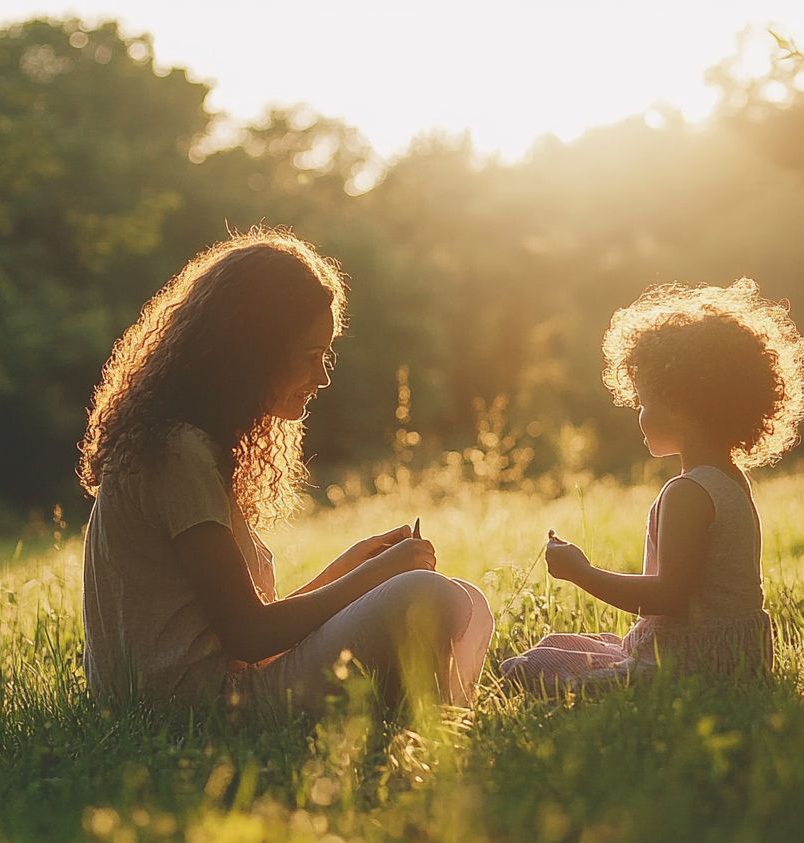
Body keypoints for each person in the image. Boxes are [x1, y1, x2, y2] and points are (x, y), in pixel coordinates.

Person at [77, 227, 493, 717]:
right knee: (429, 595)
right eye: (312, 356)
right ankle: (431, 716)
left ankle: (443, 717)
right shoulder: (178, 453)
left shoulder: (194, 445)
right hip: (199, 709)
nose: (323, 377)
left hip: (221, 688)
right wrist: (376, 575)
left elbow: (249, 630)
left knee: (470, 603)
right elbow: (250, 636)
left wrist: (353, 568)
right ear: (255, 353)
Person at [500, 279, 804, 691]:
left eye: (644, 403)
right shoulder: (731, 481)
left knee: (530, 668)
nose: (639, 415)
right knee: (559, 644)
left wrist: (581, 572)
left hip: (689, 667)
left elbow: (668, 598)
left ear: (681, 407)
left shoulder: (687, 493)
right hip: (731, 656)